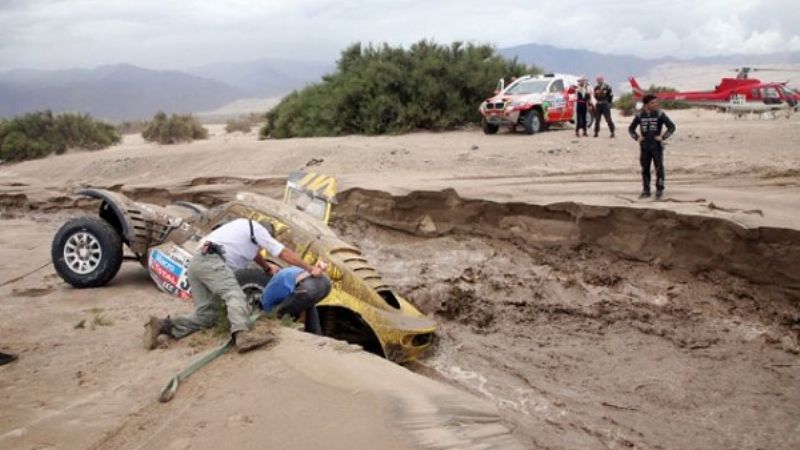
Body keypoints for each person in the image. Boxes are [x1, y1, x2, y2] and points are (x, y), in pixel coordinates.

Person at [143, 218, 325, 353]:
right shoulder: (258, 229)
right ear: (266, 234)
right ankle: (242, 336)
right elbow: (283, 253)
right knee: (235, 295)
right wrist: (311, 269)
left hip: (197, 264)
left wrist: (267, 267)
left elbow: (254, 254)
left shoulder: (240, 229)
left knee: (208, 316)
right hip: (212, 261)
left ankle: (164, 326)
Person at [261, 260, 332, 335]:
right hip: (326, 283)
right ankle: (316, 336)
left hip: (308, 287)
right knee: (307, 305)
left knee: (277, 315)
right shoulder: (287, 271)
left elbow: (270, 314)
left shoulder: (265, 301)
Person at [628, 94, 676, 199]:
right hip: (644, 146)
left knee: (659, 167)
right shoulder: (640, 115)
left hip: (656, 146)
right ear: (646, 104)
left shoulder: (659, 114)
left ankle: (659, 189)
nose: (655, 104)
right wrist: (637, 137)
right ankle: (646, 190)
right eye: (652, 103)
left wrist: (663, 137)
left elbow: (672, 127)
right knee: (645, 168)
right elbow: (631, 129)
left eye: (656, 102)